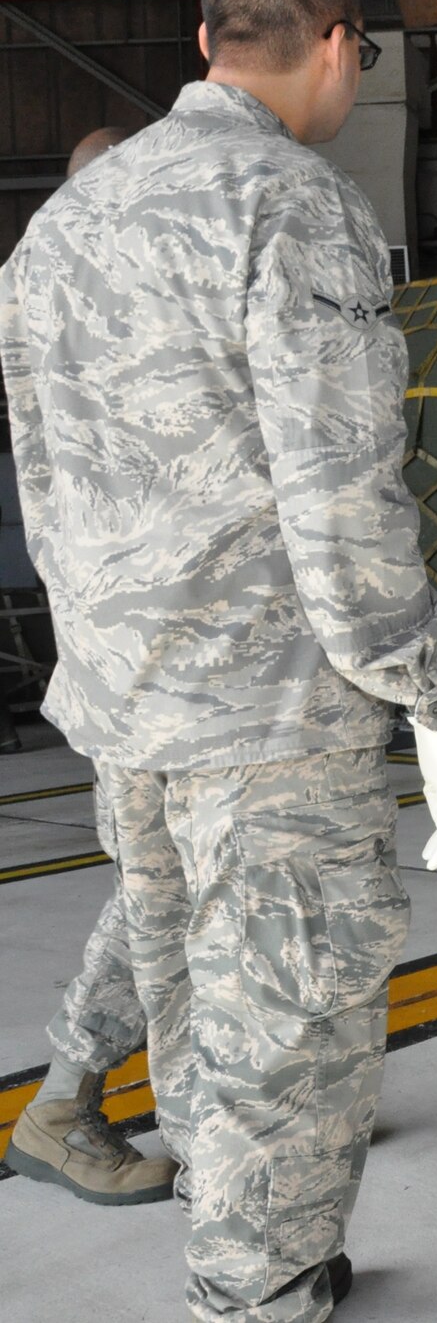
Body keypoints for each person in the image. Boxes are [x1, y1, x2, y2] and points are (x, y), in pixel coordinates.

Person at [0, 0, 437, 1322]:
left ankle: (250, 1244)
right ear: (338, 45)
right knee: (288, 1021)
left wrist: (102, 658)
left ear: (204, 40)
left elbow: (42, 473)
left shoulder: (62, 226)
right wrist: (435, 697)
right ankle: (259, 1290)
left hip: (124, 706)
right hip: (269, 712)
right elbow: (344, 497)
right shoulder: (291, 203)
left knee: (194, 1011)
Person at [5, 125, 181, 1211]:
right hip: (147, 660)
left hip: (158, 651)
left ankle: (238, 1102)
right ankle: (63, 1104)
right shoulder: (79, 312)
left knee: (192, 886)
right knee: (161, 888)